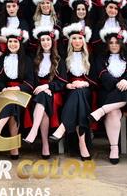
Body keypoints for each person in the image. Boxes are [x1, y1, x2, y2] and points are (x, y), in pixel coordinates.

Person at [88, 27, 127, 164]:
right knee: (114, 112)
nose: (114, 45)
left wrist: (126, 80)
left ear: (121, 43)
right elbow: (102, 75)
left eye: (117, 42)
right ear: (107, 44)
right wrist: (118, 83)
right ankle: (114, 148)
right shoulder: (101, 58)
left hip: (126, 96)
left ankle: (101, 111)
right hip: (108, 93)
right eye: (111, 43)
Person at [49, 24, 94, 160]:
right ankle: (82, 144)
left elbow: (96, 79)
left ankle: (63, 127)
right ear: (70, 41)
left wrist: (84, 83)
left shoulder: (90, 57)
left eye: (80, 38)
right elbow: (61, 79)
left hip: (87, 90)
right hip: (70, 91)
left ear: (84, 41)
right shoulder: (64, 58)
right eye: (74, 38)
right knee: (77, 96)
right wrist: (68, 85)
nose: (77, 41)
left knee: (80, 93)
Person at [23, 26, 65, 159]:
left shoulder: (59, 60)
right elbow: (31, 80)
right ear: (39, 42)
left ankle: (34, 131)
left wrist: (48, 87)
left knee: (44, 96)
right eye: (43, 40)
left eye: (48, 39)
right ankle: (45, 144)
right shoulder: (34, 59)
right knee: (43, 100)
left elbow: (62, 82)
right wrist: (41, 88)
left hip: (54, 93)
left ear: (52, 41)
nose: (45, 42)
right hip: (36, 92)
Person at [0, 27, 35, 159]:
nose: (12, 44)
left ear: (20, 43)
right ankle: (14, 146)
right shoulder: (1, 59)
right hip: (5, 92)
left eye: (15, 42)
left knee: (13, 101)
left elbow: (30, 82)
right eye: (10, 41)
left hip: (22, 93)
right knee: (12, 103)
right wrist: (4, 89)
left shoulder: (27, 60)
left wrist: (17, 89)